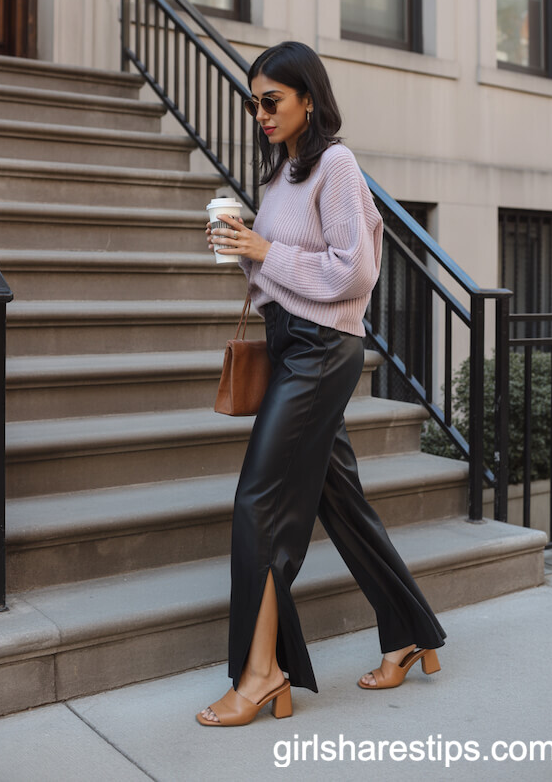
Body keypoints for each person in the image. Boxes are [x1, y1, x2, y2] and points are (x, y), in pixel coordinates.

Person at [197, 41, 446, 727]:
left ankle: (262, 673)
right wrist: (242, 246)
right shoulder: (283, 173)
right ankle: (409, 633)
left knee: (259, 501)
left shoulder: (336, 164)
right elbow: (282, 271)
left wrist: (264, 248)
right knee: (341, 502)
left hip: (320, 349)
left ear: (308, 99)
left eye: (271, 100)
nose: (260, 113)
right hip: (289, 344)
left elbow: (353, 272)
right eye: (254, 102)